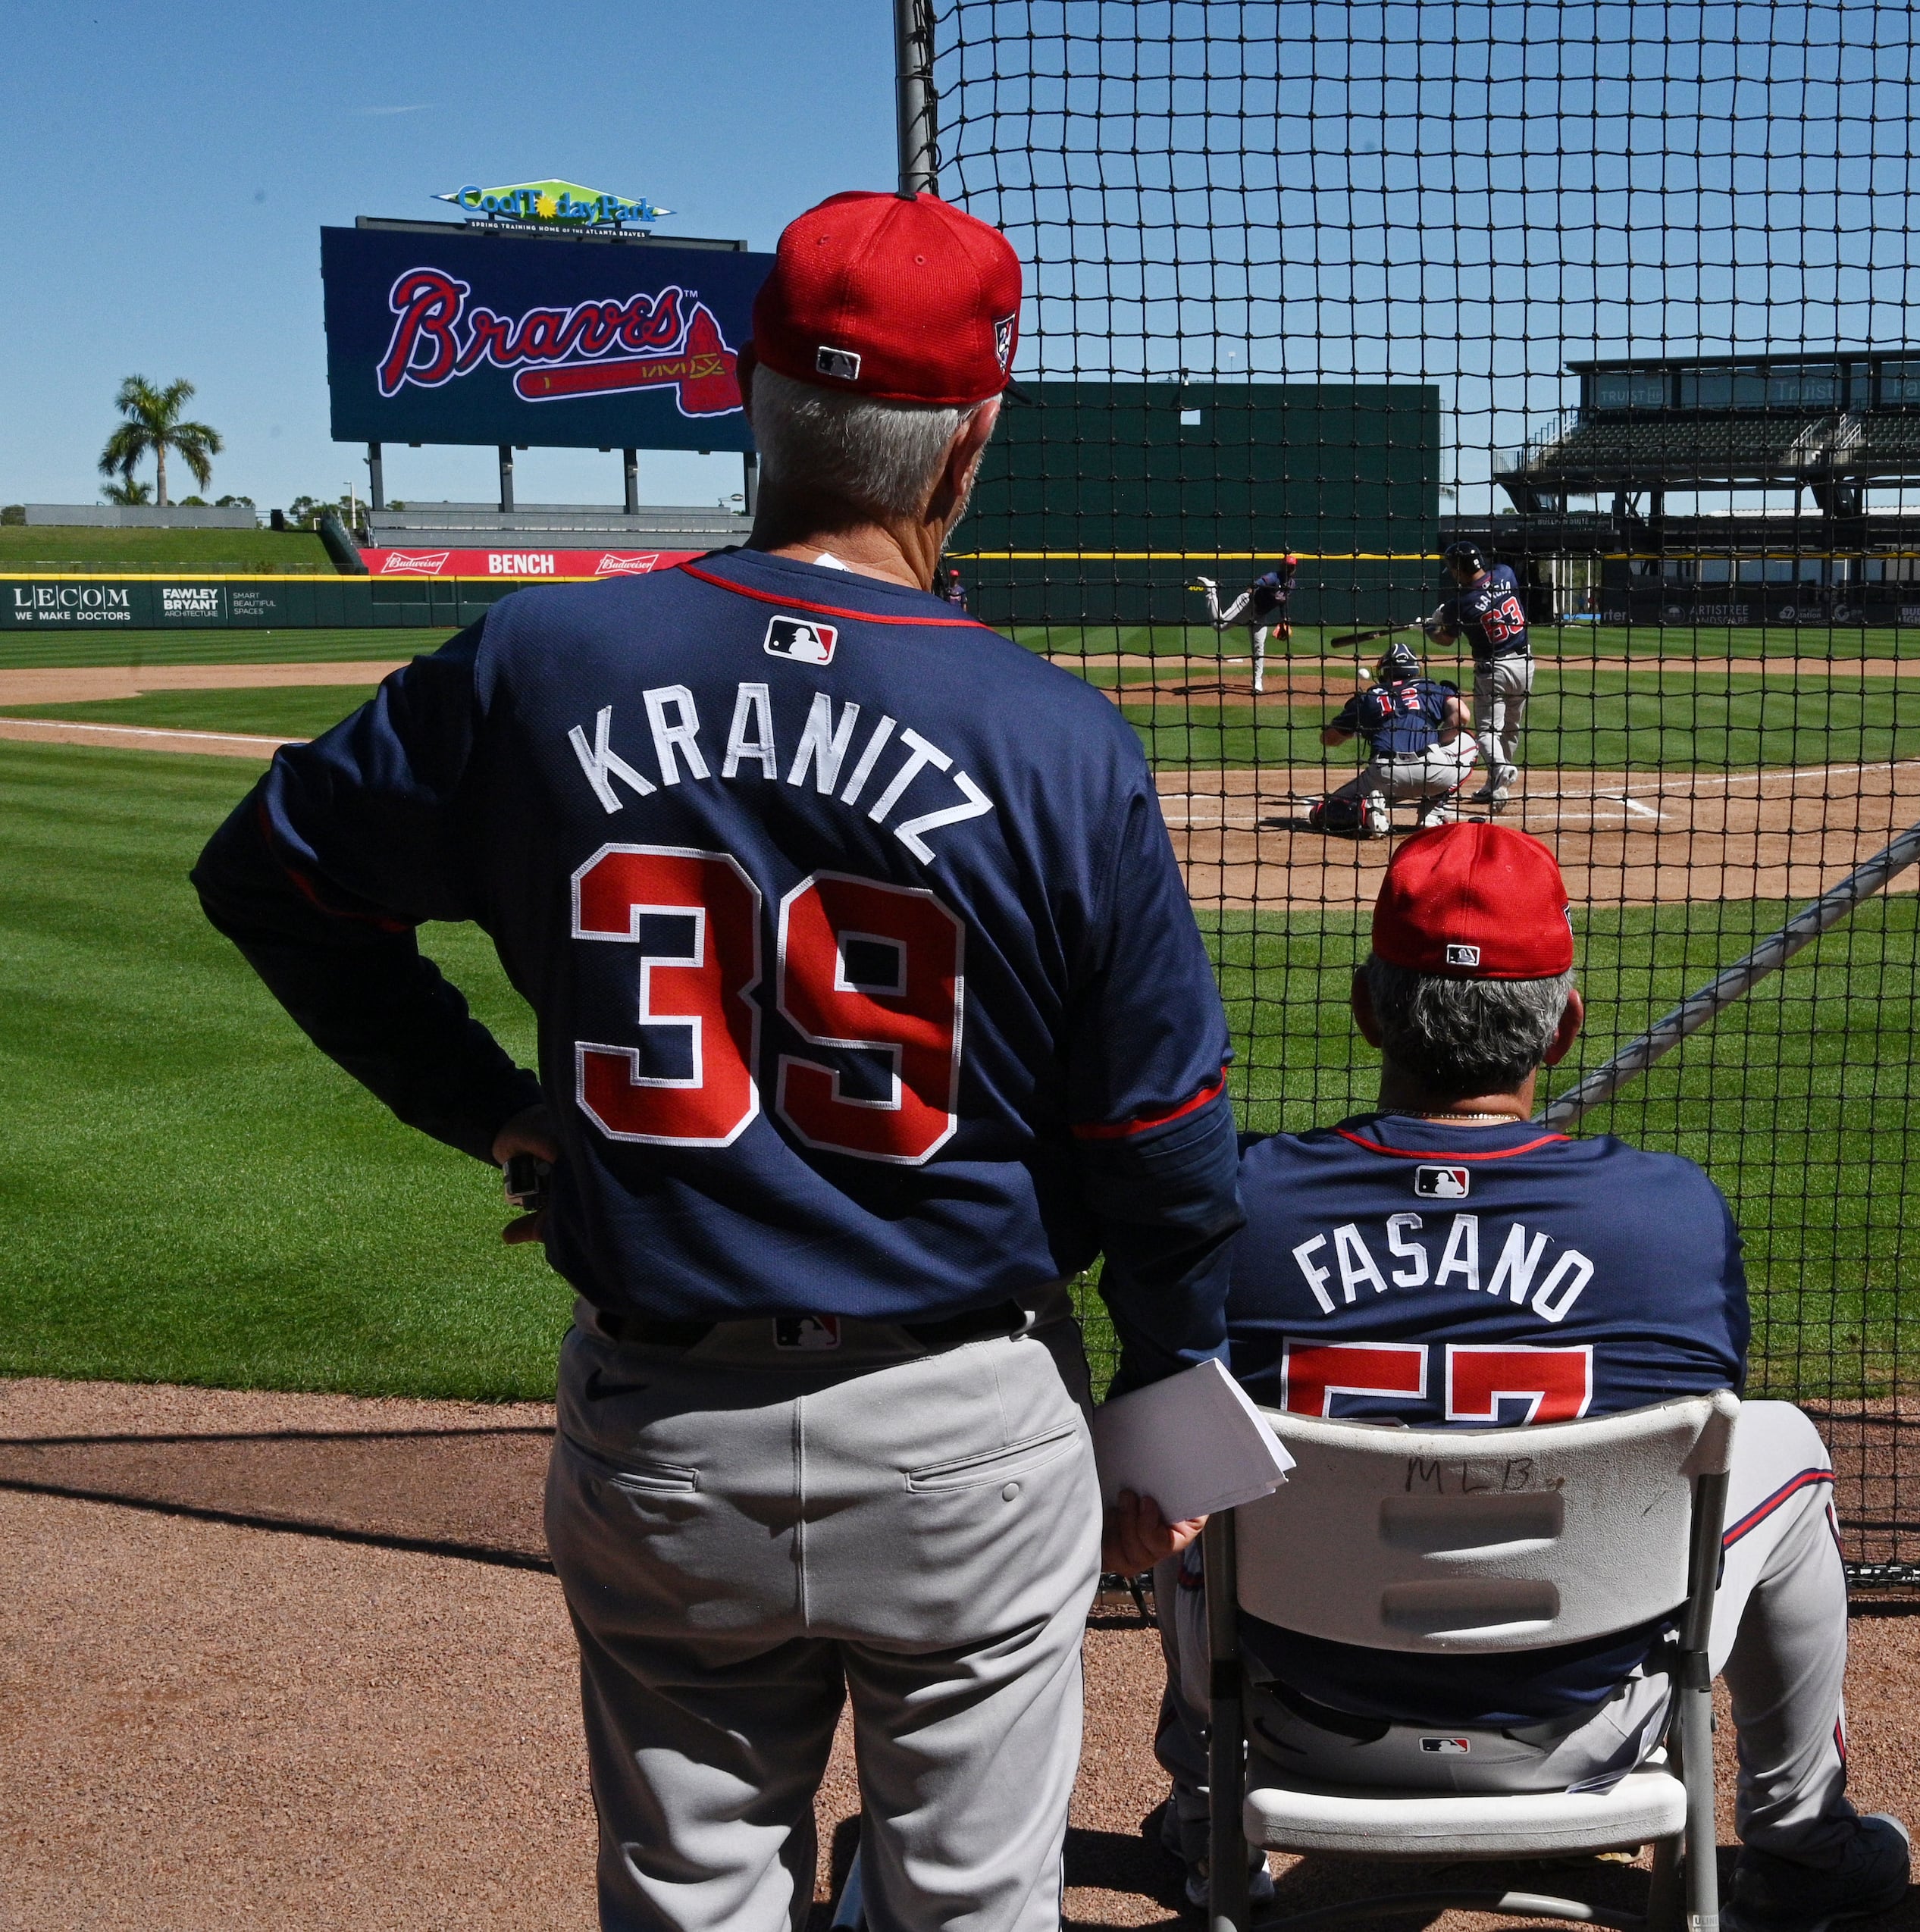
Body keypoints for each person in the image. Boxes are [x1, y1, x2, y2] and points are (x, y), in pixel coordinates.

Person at [192, 190, 1244, 1932]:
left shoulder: (544, 662)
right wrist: (1173, 1406)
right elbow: (1159, 1139)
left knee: (690, 1900)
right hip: (967, 1429)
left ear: (746, 394)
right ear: (966, 444)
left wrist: (499, 1114)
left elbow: (275, 880)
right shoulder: (1055, 736)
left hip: (664, 1427)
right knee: (973, 1906)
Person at [1142, 823, 1914, 1932]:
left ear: (1368, 1008)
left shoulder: (1244, 1202)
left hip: (1298, 1718)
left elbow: (1162, 1424)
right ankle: (1800, 1844)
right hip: (1595, 1725)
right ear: (1564, 1024)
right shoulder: (1668, 1215)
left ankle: (1209, 1830)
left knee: (1184, 1440)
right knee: (1779, 1439)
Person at [1304, 640, 1478, 838]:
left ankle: (1365, 814)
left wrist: (1357, 727)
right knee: (1470, 742)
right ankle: (1433, 812)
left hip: (1385, 776)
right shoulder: (1434, 689)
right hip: (1433, 770)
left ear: (1385, 671)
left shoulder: (1369, 699)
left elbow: (1329, 739)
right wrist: (1438, 742)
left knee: (1320, 812)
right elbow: (1462, 716)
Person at [1425, 540, 1535, 809]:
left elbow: (1446, 640)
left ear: (1460, 569)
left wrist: (1431, 626)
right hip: (1525, 665)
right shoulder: (1505, 573)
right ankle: (1496, 786)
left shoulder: (1460, 604)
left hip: (1494, 671)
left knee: (1487, 733)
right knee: (1510, 728)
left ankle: (1501, 770)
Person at [1195, 553, 1299, 693]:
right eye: (1287, 565)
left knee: (1259, 648)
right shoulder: (1274, 577)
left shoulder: (1291, 584)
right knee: (1219, 626)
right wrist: (1254, 587)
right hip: (1247, 604)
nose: (1289, 568)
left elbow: (1282, 602)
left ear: (1294, 568)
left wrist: (1283, 619)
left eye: (1291, 566)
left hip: (1260, 616)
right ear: (1282, 565)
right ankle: (1211, 590)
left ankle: (1257, 681)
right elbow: (1261, 582)